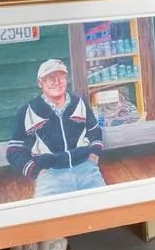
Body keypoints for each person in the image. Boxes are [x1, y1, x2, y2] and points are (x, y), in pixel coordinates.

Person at [6, 59, 105, 197]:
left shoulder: (79, 103)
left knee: (104, 205)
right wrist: (37, 172)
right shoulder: (28, 111)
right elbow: (13, 150)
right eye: (50, 78)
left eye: (61, 77)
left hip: (86, 169)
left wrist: (94, 156)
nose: (57, 82)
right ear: (40, 83)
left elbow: (95, 131)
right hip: (51, 176)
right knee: (47, 210)